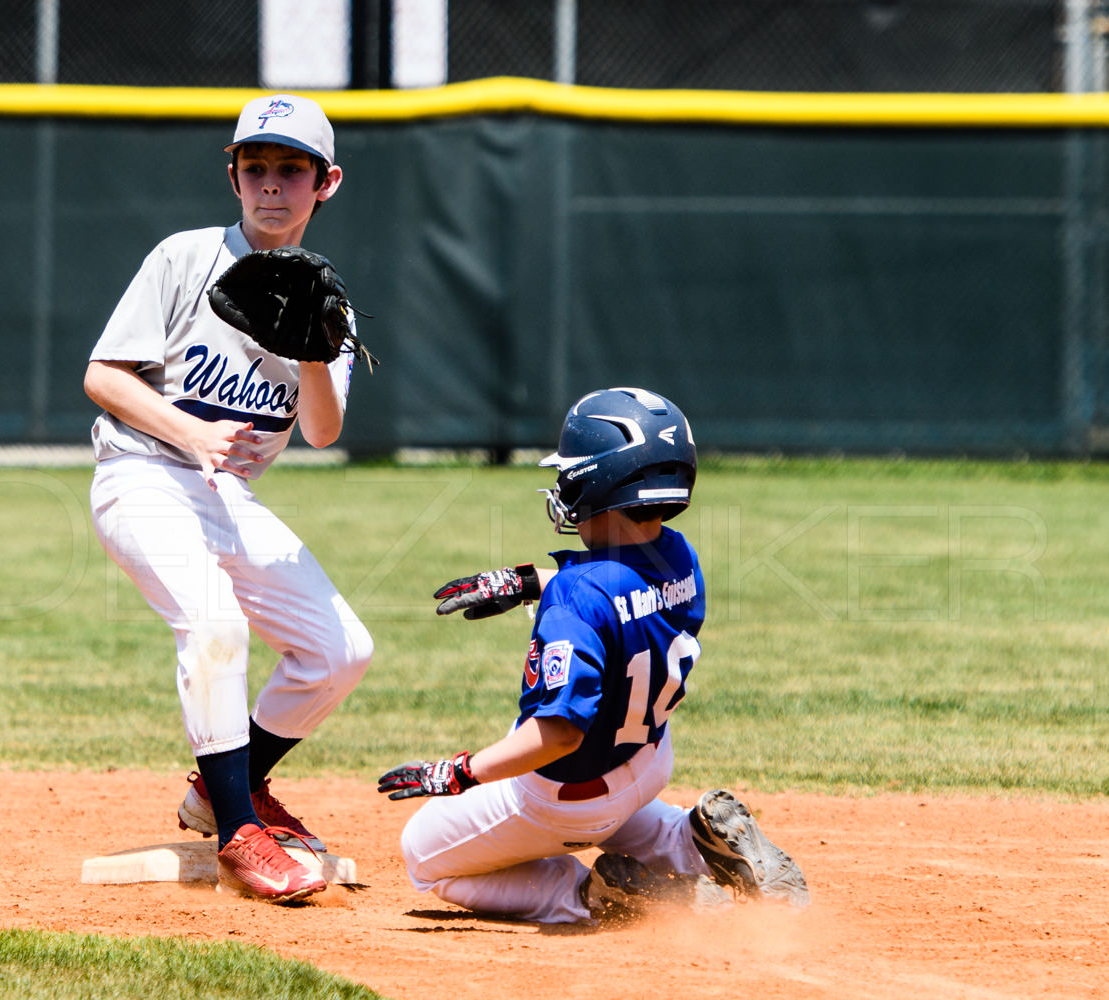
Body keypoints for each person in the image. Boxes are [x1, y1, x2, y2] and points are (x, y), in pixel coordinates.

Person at [84, 93, 372, 904]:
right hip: (140, 474)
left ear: (327, 182)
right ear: (234, 177)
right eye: (256, 168)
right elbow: (102, 377)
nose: (272, 186)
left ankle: (219, 789)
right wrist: (189, 432)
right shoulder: (183, 258)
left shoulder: (329, 301)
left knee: (341, 649)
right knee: (213, 621)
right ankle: (241, 830)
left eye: (292, 170)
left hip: (224, 497)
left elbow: (320, 431)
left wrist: (316, 349)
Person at [377, 387, 809, 924]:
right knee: (616, 808)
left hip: (569, 798)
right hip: (647, 763)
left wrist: (459, 772)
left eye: (572, 473)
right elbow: (620, 588)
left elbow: (559, 734)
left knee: (423, 856)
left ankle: (593, 896)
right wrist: (524, 581)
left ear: (601, 481)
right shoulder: (679, 555)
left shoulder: (574, 601)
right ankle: (692, 842)